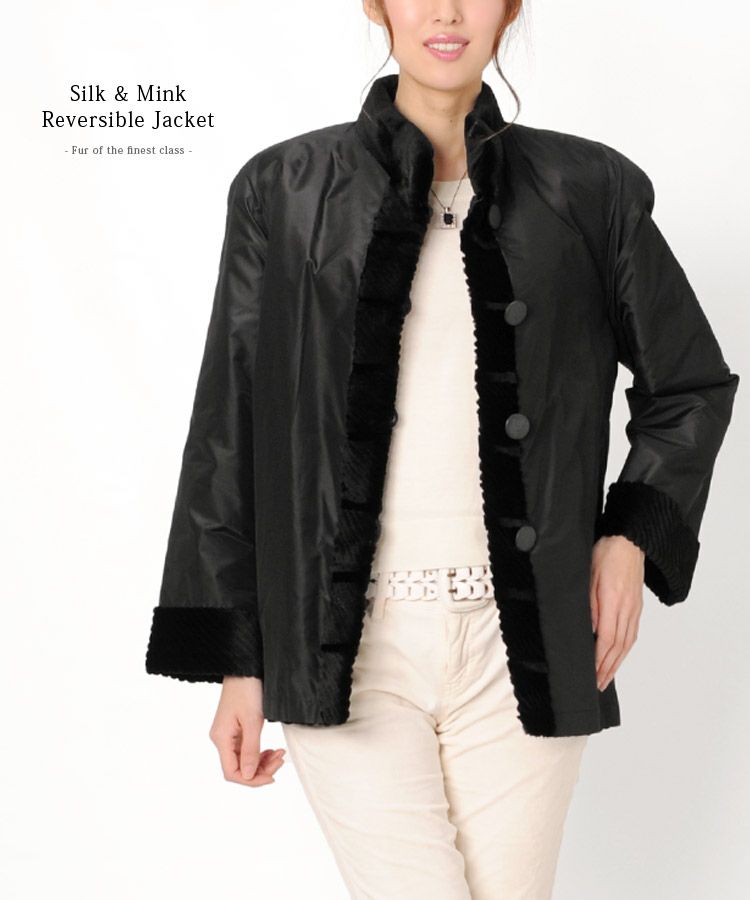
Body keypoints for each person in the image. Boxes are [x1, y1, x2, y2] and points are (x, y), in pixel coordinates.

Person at [145, 1, 740, 897]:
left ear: (510, 8)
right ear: (378, 6)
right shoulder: (286, 188)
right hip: (342, 645)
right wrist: (239, 657)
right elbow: (228, 429)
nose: (448, 11)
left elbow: (689, 384)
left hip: (525, 644)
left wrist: (629, 538)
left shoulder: (590, 191)